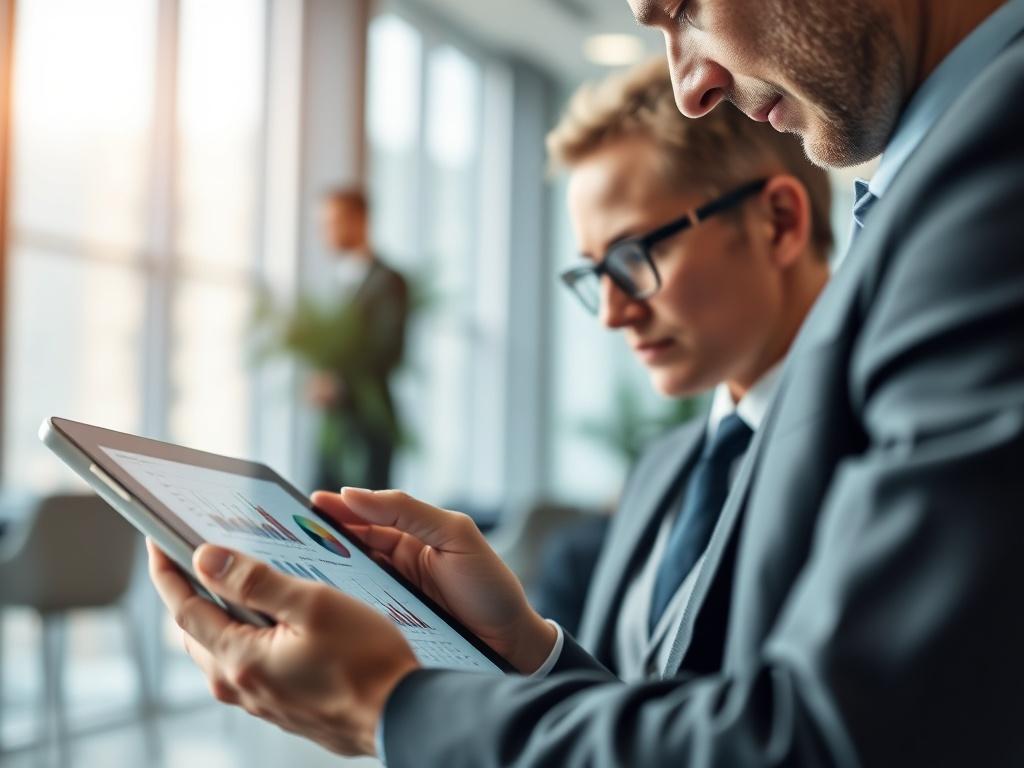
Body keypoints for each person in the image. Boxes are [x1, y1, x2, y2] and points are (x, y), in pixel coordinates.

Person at [149, 0, 1024, 764]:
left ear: (779, 225)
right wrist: (527, 653)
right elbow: (708, 712)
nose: (690, 85)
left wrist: (388, 705)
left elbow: (837, 734)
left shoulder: (986, 173)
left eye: (683, 8)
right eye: (592, 274)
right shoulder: (680, 463)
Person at [533, 57, 832, 658]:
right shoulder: (661, 469)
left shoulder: (881, 437)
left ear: (777, 223)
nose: (612, 314)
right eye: (596, 273)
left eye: (633, 256)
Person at [308, 187, 409, 491]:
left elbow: (390, 349)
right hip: (334, 421)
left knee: (367, 505)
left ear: (360, 221)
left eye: (333, 222)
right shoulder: (335, 283)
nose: (326, 233)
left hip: (370, 420)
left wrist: (339, 383)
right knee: (321, 501)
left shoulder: (389, 281)